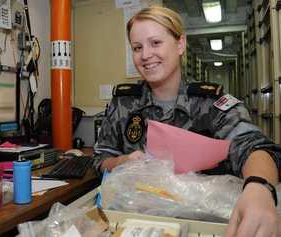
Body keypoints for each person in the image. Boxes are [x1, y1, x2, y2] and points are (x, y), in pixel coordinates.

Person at [93, 5, 280, 237]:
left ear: (180, 44)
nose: (145, 55)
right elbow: (101, 158)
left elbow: (255, 147)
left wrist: (260, 188)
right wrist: (123, 162)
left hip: (204, 223)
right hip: (135, 222)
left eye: (156, 43)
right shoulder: (124, 103)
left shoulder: (211, 102)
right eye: (137, 47)